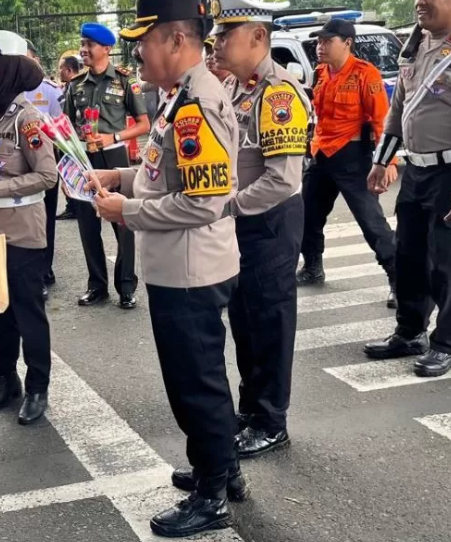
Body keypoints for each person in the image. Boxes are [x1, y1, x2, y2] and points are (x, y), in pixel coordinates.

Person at [88, 1, 244, 536]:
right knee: (197, 378)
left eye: (144, 42)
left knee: (195, 384)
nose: (137, 54)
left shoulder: (197, 102)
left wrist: (126, 211)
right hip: (182, 264)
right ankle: (221, 467)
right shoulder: (180, 96)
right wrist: (122, 179)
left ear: (176, 40)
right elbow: (165, 173)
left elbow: (204, 201)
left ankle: (212, 494)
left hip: (190, 269)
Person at [365, 0, 451, 378]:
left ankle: (446, 345)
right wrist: (382, 160)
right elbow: (399, 110)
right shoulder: (415, 46)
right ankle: (410, 332)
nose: (419, 3)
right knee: (409, 257)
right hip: (416, 171)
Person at [212, 0, 310, 459]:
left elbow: (282, 179)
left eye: (226, 34)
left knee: (269, 320)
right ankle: (251, 409)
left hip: (268, 221)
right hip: (239, 222)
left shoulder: (278, 92)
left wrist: (225, 207)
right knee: (245, 319)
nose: (217, 42)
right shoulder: (231, 87)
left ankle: (271, 421)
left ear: (258, 37)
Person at [0, 30, 57, 424]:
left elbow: (48, 176)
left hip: (21, 234)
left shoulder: (28, 119)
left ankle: (38, 387)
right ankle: (6, 378)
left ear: (3, 69)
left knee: (27, 314)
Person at [296, 19, 399, 309]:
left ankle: (399, 280)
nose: (320, 47)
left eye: (327, 41)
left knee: (371, 223)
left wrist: (388, 161)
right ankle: (312, 267)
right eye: (319, 42)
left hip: (353, 157)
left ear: (347, 43)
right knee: (307, 216)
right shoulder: (320, 73)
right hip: (321, 155)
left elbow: (382, 121)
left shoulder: (365, 74)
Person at [64, 21, 150, 310]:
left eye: (89, 45)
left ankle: (126, 286)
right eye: (82, 44)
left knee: (123, 223)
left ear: (106, 49)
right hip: (83, 159)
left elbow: (144, 124)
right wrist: (67, 167)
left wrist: (113, 136)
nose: (83, 49)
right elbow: (66, 128)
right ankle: (96, 286)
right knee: (87, 225)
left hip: (113, 158)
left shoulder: (124, 81)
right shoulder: (75, 85)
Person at [24, 41, 64, 300]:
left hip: (47, 164)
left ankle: (44, 269)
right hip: (20, 168)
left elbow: (62, 129)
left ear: (36, 59)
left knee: (46, 219)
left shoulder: (49, 91)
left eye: (26, 57)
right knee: (26, 221)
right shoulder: (7, 91)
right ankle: (31, 271)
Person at [56, 53, 81, 221]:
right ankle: (72, 206)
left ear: (69, 70)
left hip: (73, 139)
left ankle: (74, 206)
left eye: (60, 68)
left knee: (73, 172)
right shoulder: (67, 87)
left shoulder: (76, 87)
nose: (58, 71)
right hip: (65, 137)